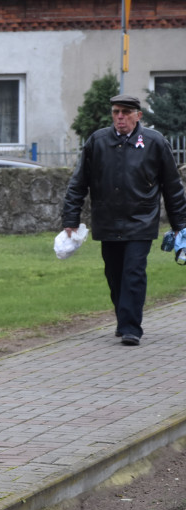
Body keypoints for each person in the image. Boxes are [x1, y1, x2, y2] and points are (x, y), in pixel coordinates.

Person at [62, 93, 186, 346]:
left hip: (141, 220)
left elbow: (173, 187)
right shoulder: (97, 141)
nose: (120, 117)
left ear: (138, 116)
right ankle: (123, 318)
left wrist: (180, 225)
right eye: (117, 112)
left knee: (133, 272)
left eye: (126, 113)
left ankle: (131, 328)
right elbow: (78, 183)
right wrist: (70, 218)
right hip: (107, 220)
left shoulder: (154, 142)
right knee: (115, 273)